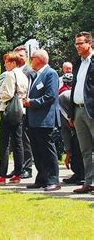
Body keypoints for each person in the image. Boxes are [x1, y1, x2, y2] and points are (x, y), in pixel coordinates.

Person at [0, 52, 28, 185]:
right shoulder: (23, 75)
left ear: (14, 63)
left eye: (7, 62)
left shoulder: (11, 75)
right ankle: (18, 173)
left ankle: (2, 174)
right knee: (18, 143)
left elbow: (8, 94)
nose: (5, 64)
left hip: (9, 110)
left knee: (4, 143)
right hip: (20, 110)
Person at [23, 49, 61, 191]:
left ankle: (53, 180)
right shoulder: (36, 75)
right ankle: (42, 178)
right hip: (34, 119)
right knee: (37, 151)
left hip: (45, 119)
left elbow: (50, 96)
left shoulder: (50, 74)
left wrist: (31, 102)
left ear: (39, 59)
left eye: (32, 58)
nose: (30, 61)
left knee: (47, 151)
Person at [69, 32, 94, 194]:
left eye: (80, 43)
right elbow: (74, 88)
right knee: (85, 150)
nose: (77, 47)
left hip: (91, 110)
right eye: (76, 44)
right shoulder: (79, 62)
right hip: (78, 111)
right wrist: (71, 113)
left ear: (90, 43)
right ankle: (89, 182)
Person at [12, 45, 34, 179]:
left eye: (21, 55)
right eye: (17, 55)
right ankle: (17, 168)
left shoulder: (29, 71)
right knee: (15, 140)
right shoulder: (12, 71)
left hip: (24, 109)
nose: (19, 58)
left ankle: (27, 168)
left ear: (26, 57)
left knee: (25, 140)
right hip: (13, 110)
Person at [59, 73, 85, 185]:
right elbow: (64, 130)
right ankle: (78, 174)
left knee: (82, 150)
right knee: (75, 149)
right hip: (73, 128)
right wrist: (68, 151)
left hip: (82, 125)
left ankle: (83, 175)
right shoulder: (61, 99)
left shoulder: (65, 96)